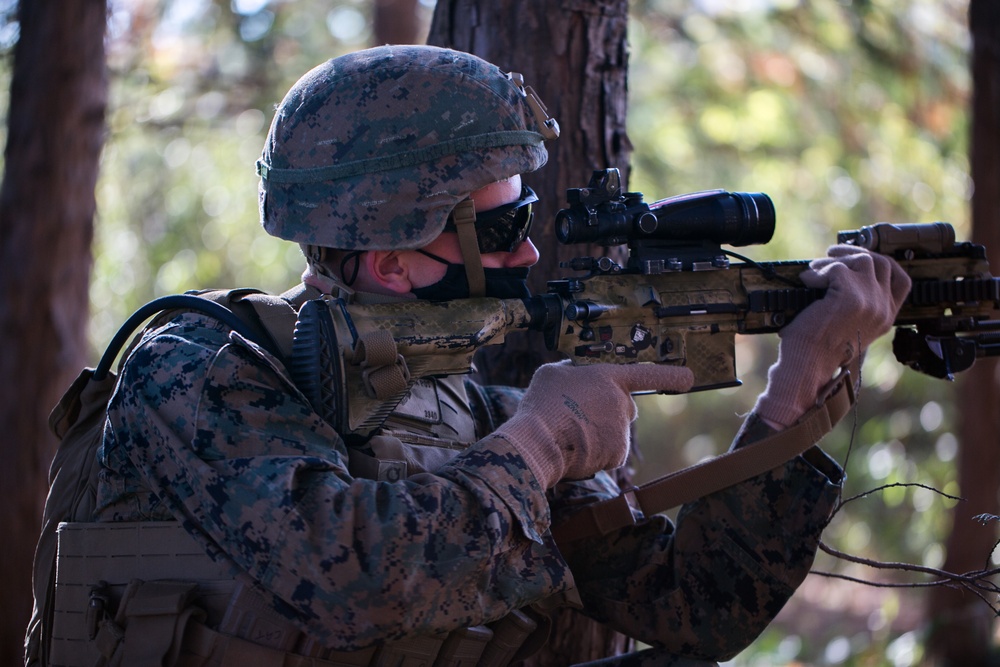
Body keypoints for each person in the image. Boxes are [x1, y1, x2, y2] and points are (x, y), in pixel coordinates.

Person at [85, 45, 910, 666]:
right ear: (392, 258)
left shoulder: (474, 408)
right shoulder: (199, 369)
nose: (528, 257)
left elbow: (692, 608)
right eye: (503, 230)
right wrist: (539, 444)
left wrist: (794, 390)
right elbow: (347, 579)